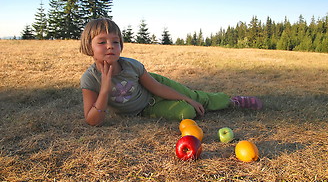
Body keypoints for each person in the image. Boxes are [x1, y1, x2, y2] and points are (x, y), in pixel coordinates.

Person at [80, 18, 263, 126]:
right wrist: (104, 90)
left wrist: (187, 98)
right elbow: (92, 120)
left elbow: (156, 87)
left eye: (115, 41)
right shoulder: (90, 79)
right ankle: (195, 103)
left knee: (194, 97)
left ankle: (231, 101)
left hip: (155, 86)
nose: (110, 46)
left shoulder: (132, 66)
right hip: (145, 109)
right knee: (187, 112)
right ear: (89, 46)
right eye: (102, 42)